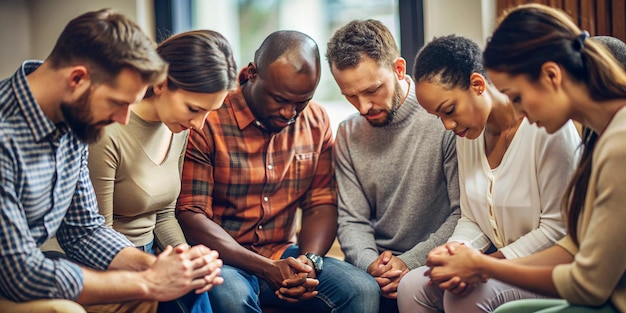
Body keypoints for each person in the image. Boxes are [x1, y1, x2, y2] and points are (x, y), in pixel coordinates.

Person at [0, 9, 221, 313]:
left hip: (33, 270)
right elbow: (19, 274)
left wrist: (158, 267)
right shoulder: (5, 138)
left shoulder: (74, 119)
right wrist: (149, 282)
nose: (123, 118)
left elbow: (84, 230)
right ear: (78, 78)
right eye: (118, 103)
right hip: (15, 277)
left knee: (169, 290)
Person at [423, 4, 626, 313]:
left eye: (516, 97)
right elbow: (572, 246)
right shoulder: (598, 136)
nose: (518, 112)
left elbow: (589, 285)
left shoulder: (618, 144)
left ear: (551, 75)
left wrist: (484, 266)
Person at [175, 30, 380, 313]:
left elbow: (321, 202)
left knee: (362, 291)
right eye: (280, 100)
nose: (289, 113)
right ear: (251, 74)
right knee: (232, 298)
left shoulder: (316, 120)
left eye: (301, 102)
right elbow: (191, 214)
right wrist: (266, 268)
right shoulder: (208, 118)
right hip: (223, 258)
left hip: (284, 254)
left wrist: (309, 261)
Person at [396, 34, 581, 313]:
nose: (447, 125)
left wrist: (485, 264)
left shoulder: (547, 127)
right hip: (498, 263)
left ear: (478, 85)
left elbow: (559, 229)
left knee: (465, 296)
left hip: (549, 267)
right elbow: (472, 217)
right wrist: (455, 251)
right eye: (439, 117)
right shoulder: (467, 134)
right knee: (411, 285)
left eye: (449, 110)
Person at [87, 29, 237, 313]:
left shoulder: (177, 128)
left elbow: (164, 215)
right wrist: (160, 269)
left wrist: (188, 259)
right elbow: (97, 235)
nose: (200, 124)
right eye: (194, 109)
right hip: (106, 266)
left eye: (208, 113)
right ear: (161, 84)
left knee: (206, 285)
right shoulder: (109, 133)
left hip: (152, 256)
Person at [325, 19, 461, 312]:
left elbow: (461, 213)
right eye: (350, 95)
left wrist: (408, 262)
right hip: (373, 271)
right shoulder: (348, 133)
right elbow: (352, 220)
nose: (363, 107)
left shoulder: (446, 119)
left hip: (433, 263)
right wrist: (371, 264)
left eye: (372, 90)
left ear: (399, 69)